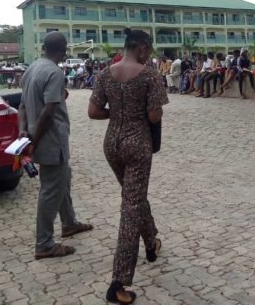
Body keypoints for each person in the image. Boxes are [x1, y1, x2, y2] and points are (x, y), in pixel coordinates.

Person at [88, 29, 168, 303]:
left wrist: (118, 114)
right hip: (137, 146)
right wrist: (137, 115)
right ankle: (118, 282)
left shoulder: (103, 74)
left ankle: (151, 242)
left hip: (112, 143)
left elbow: (93, 112)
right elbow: (155, 115)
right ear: (143, 48)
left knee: (133, 197)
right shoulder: (150, 75)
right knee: (130, 208)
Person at [18, 32, 93, 260]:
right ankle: (44, 244)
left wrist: (23, 132)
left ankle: (69, 222)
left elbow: (22, 105)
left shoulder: (32, 68)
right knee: (50, 189)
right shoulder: (54, 72)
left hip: (35, 134)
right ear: (63, 50)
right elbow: (48, 112)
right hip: (50, 139)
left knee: (63, 178)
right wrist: (35, 141)